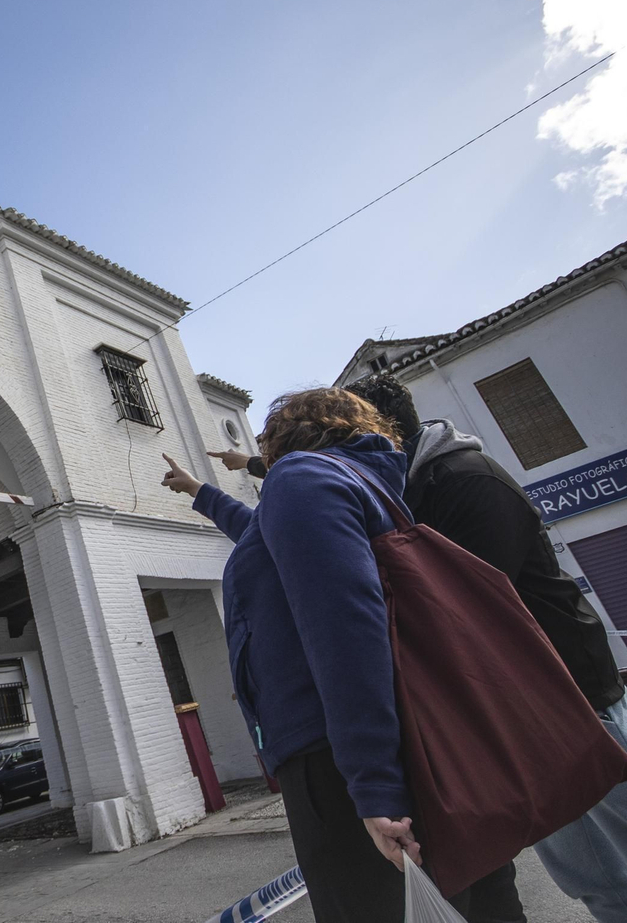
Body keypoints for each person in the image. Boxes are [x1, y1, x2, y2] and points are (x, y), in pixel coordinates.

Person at [340, 371, 627, 923]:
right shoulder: (412, 491)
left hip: (578, 701)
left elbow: (458, 609)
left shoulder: (465, 482)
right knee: (597, 886)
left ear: (379, 434)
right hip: (527, 721)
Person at [162, 387, 468, 923]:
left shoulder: (301, 479)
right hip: (366, 740)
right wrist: (199, 492)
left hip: (331, 753)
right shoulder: (351, 480)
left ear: (285, 438)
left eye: (265, 440)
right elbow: (260, 535)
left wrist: (374, 787)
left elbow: (345, 626)